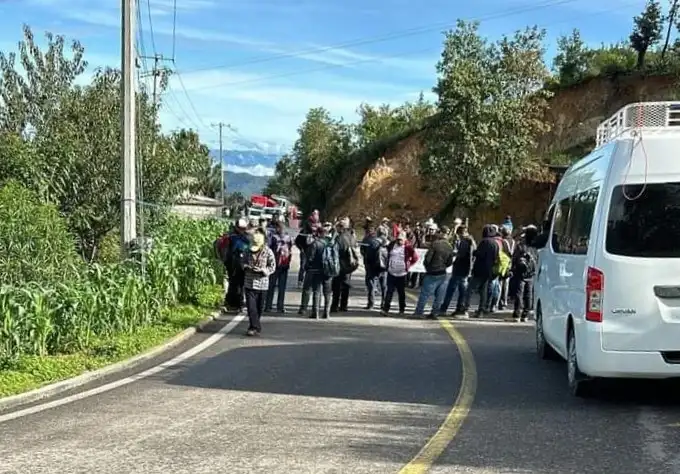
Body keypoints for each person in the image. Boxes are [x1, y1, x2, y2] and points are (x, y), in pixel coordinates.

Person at [414, 226, 454, 319]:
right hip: (442, 272)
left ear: (439, 233)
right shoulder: (449, 246)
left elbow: (427, 259)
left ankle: (419, 312)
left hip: (432, 272)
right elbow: (450, 262)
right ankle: (435, 313)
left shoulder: (435, 244)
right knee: (439, 295)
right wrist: (443, 266)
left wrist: (427, 268)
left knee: (425, 294)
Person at [243, 230, 276, 336]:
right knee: (251, 308)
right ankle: (254, 327)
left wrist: (263, 270)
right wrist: (246, 267)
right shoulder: (247, 251)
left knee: (259, 308)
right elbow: (242, 262)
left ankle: (254, 326)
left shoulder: (268, 251)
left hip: (262, 284)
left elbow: (272, 267)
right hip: (249, 283)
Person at [298, 224, 334, 319]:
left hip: (316, 270)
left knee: (316, 291)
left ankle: (316, 312)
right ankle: (327, 312)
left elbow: (310, 258)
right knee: (327, 292)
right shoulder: (331, 243)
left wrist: (306, 266)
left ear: (318, 233)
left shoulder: (315, 244)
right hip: (328, 271)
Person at [440, 225, 476, 317]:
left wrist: (454, 254)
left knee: (451, 289)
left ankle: (444, 308)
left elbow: (461, 255)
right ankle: (460, 309)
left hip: (460, 269)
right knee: (462, 291)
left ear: (460, 233)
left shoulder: (465, 241)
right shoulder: (472, 241)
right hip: (466, 269)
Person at [381, 232, 418, 316]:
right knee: (389, 291)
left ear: (405, 239)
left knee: (401, 293)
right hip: (391, 272)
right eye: (398, 239)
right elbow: (386, 253)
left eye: (401, 240)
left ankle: (402, 309)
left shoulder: (408, 247)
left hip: (402, 274)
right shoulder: (392, 244)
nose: (399, 241)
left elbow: (415, 258)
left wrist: (408, 265)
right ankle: (385, 309)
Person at [466, 224, 500, 317]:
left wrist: (474, 251)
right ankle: (481, 310)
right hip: (489, 270)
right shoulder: (495, 243)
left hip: (480, 269)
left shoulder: (484, 242)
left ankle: (464, 308)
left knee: (470, 289)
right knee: (483, 291)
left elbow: (479, 254)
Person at [330, 217, 359, 312]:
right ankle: (344, 305)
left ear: (341, 228)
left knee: (336, 286)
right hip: (350, 264)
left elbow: (334, 250)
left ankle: (334, 305)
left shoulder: (339, 238)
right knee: (346, 285)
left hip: (340, 264)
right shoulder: (352, 237)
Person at [265, 220, 292, 313]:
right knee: (282, 287)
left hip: (275, 265)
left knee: (271, 286)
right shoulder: (288, 237)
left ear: (276, 227)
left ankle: (268, 306)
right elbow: (291, 248)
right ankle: (280, 307)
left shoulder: (273, 237)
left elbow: (268, 248)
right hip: (285, 265)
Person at [509, 233, 537, 322]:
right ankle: (525, 314)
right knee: (528, 295)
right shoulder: (535, 248)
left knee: (519, 294)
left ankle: (517, 313)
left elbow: (514, 258)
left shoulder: (520, 247)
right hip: (531, 274)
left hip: (520, 273)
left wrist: (512, 269)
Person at [224, 218, 250, 313]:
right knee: (234, 284)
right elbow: (227, 252)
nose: (242, 230)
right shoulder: (231, 237)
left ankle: (237, 303)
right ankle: (232, 303)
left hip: (242, 265)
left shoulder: (246, 238)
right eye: (241, 228)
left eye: (243, 228)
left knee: (240, 285)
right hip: (233, 264)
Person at [362, 226, 388, 310]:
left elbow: (367, 255)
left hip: (373, 267)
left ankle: (371, 304)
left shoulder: (372, 242)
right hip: (384, 268)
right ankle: (383, 304)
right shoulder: (389, 243)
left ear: (377, 233)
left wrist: (368, 265)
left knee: (372, 286)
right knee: (384, 286)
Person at [498, 226, 515, 310]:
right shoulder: (513, 241)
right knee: (506, 284)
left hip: (503, 263)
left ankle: (499, 302)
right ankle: (504, 302)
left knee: (500, 283)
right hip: (510, 264)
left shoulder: (503, 241)